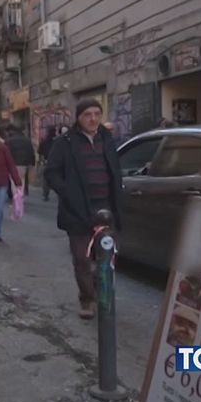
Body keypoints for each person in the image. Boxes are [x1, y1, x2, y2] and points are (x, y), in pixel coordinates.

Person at [44, 99, 123, 319]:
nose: (93, 118)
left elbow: (115, 168)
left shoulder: (106, 138)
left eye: (97, 114)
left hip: (106, 208)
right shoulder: (65, 142)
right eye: (87, 114)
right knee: (82, 258)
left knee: (106, 256)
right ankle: (87, 299)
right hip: (78, 209)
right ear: (78, 117)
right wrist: (68, 192)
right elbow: (51, 172)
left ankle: (99, 290)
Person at [5, 124, 36, 196]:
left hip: (12, 164)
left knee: (13, 181)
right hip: (24, 164)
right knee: (22, 180)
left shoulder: (9, 140)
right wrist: (32, 163)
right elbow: (31, 152)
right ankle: (20, 196)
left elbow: (6, 153)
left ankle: (16, 197)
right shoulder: (27, 140)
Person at [38, 126, 56, 201]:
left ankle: (45, 195)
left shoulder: (43, 142)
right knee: (56, 178)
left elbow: (40, 153)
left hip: (45, 162)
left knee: (45, 180)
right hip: (55, 163)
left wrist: (41, 161)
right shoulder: (56, 142)